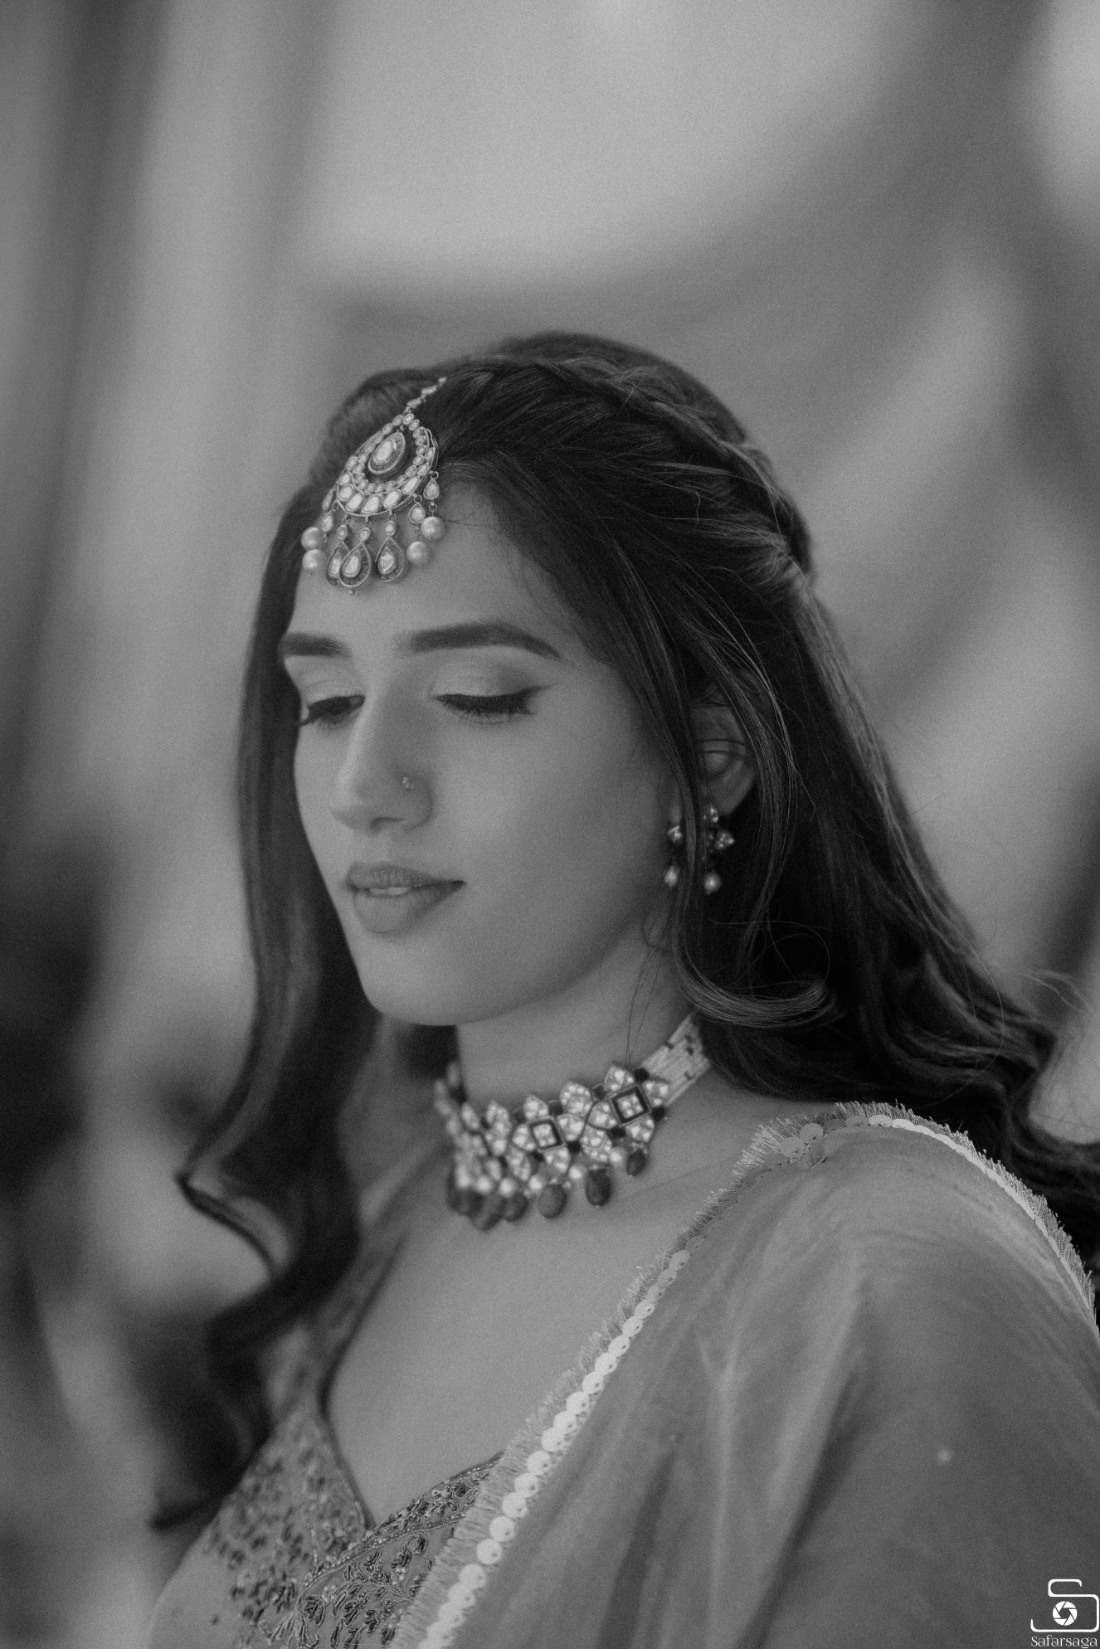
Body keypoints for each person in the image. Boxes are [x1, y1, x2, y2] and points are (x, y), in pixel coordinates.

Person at [148, 334, 1100, 1649]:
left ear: (711, 751)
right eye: (326, 698)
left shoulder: (886, 1276)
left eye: (478, 696)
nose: (366, 783)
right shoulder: (387, 1227)